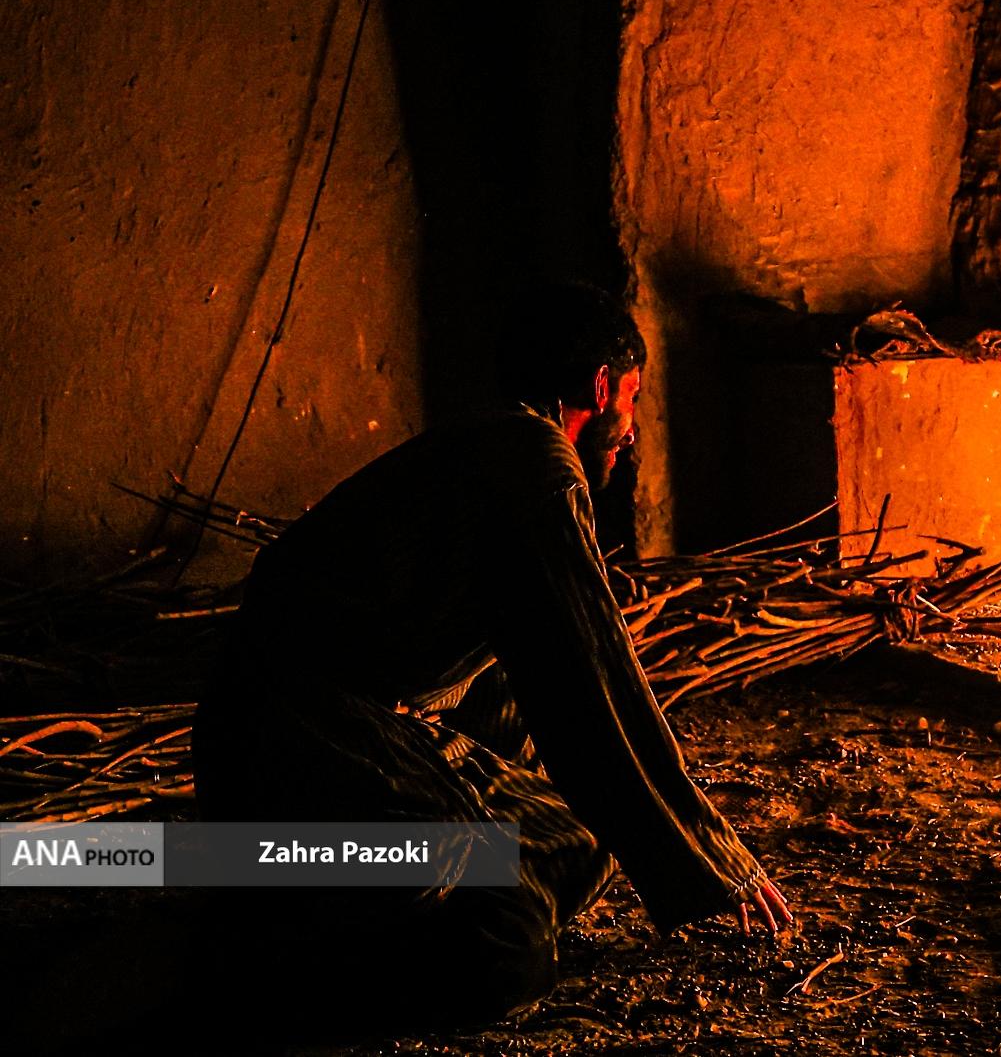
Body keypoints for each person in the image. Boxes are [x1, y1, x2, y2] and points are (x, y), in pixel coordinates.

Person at [193, 281, 790, 1033]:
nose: (632, 430)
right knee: (505, 944)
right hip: (306, 736)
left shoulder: (489, 450)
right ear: (599, 385)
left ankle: (316, 894)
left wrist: (527, 791)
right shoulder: (536, 465)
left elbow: (522, 683)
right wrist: (713, 855)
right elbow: (592, 679)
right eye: (632, 398)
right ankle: (262, 951)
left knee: (582, 842)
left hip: (336, 734)